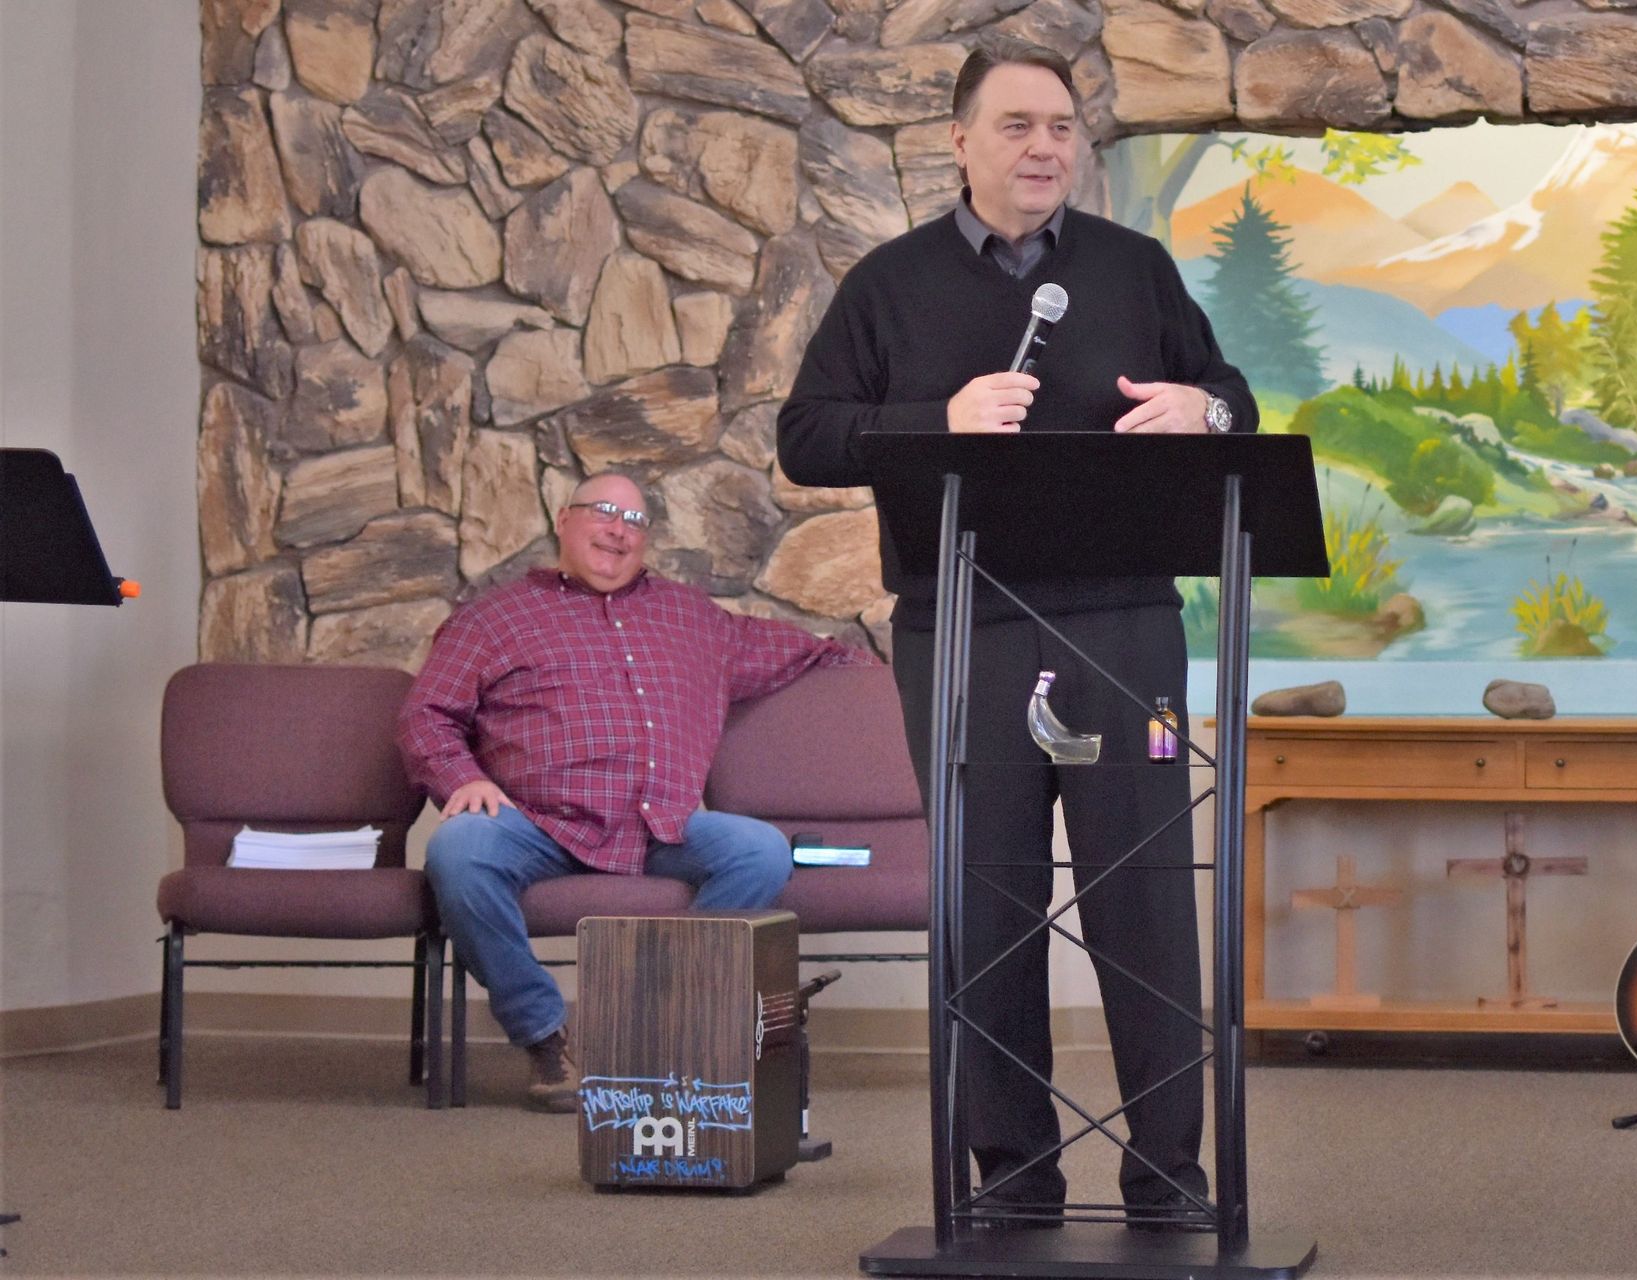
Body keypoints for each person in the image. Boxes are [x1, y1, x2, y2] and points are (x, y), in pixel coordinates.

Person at [776, 37, 1255, 1229]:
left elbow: (1233, 394)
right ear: (959, 141)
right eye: (1016, 126)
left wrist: (1209, 406)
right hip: (965, 627)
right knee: (986, 908)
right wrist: (933, 417)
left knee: (1143, 903)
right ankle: (1015, 1177)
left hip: (1127, 627)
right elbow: (805, 434)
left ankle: (1168, 1178)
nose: (1044, 147)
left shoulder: (1136, 270)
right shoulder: (888, 284)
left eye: (1059, 126)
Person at [398, 471, 873, 1111]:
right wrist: (466, 779)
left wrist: (880, 674)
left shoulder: (694, 619)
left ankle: (648, 1025)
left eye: (635, 520)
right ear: (564, 521)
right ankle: (545, 1038)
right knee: (457, 852)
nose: (618, 529)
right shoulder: (492, 618)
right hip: (532, 823)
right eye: (602, 511)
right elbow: (425, 715)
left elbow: (804, 653)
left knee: (757, 849)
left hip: (658, 827)